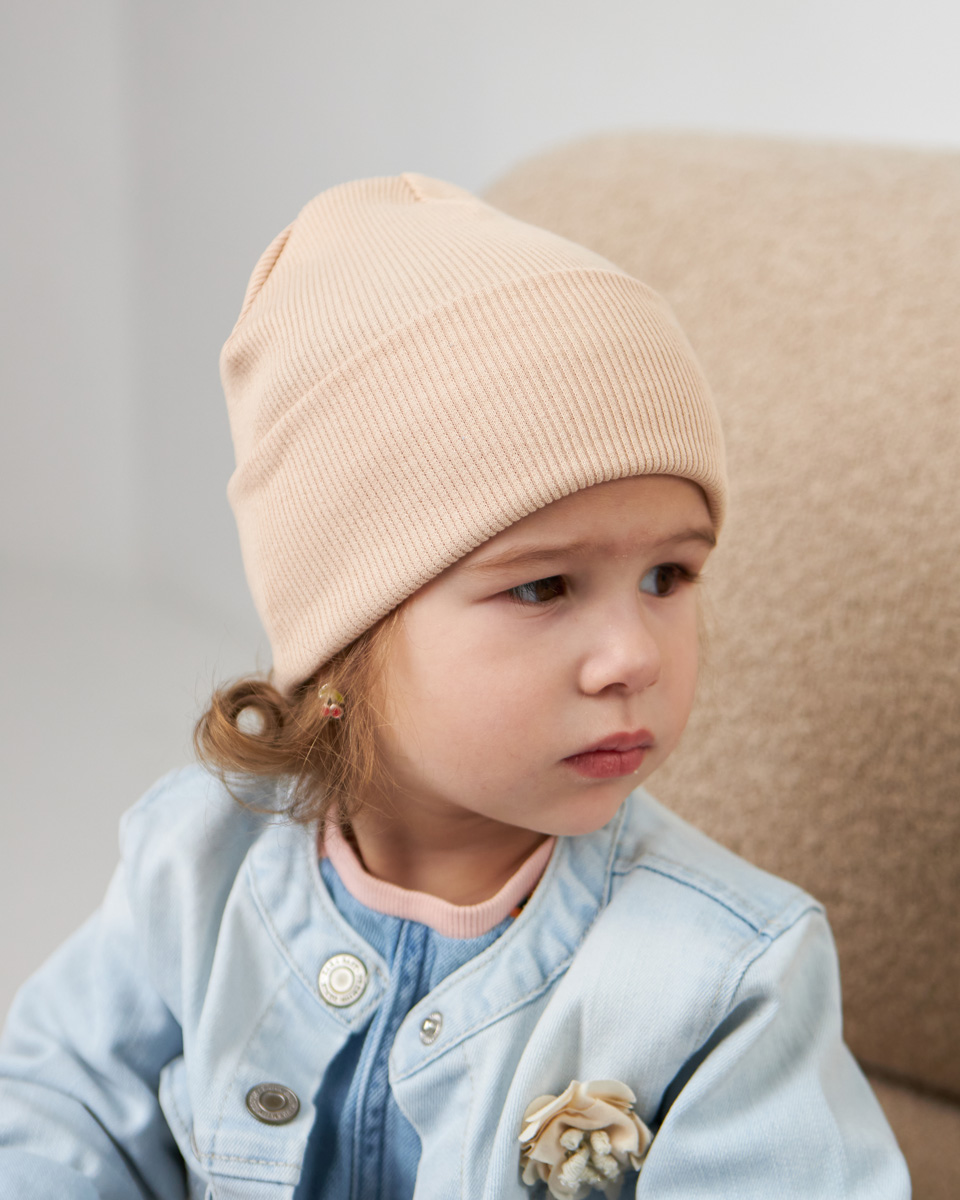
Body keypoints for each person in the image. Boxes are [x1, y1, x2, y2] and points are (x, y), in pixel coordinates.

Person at [0, 173, 909, 1200]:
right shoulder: (196, 864)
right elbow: (57, 1112)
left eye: (668, 576)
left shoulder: (727, 978)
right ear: (346, 632)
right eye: (543, 586)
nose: (634, 656)